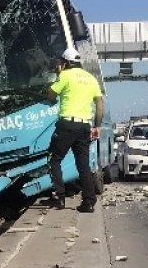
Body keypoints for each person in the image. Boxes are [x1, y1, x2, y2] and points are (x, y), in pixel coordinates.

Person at [44, 48, 104, 212]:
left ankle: (60, 197)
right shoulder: (91, 78)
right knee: (83, 165)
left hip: (67, 125)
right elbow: (99, 105)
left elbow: (50, 95)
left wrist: (58, 75)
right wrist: (97, 126)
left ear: (66, 62)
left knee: (54, 159)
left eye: (62, 62)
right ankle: (89, 202)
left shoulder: (65, 75)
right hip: (85, 126)